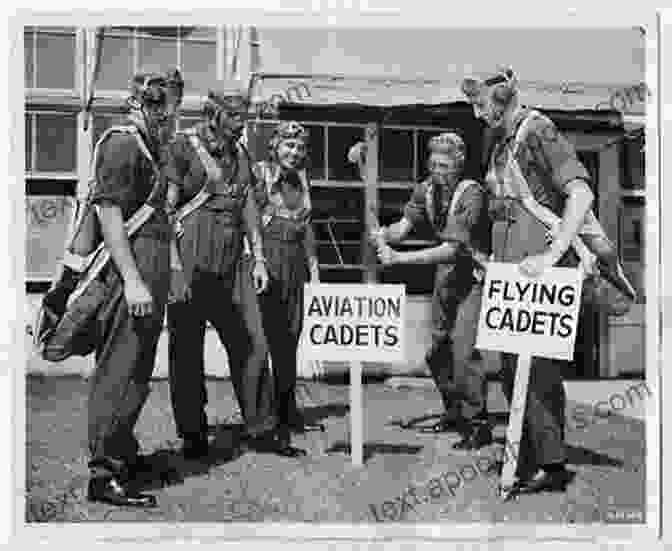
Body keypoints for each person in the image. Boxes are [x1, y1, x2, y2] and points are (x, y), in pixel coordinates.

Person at [461, 67, 587, 492]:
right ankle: (528, 454)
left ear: (500, 97)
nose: (478, 116)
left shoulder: (539, 129)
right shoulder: (503, 140)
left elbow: (580, 193)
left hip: (539, 269)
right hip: (510, 268)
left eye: (480, 106)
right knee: (513, 369)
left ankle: (550, 464)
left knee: (538, 371)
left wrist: (554, 253)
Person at [163, 83, 289, 460]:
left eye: (244, 117)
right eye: (235, 116)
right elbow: (166, 210)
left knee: (253, 342)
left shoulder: (240, 153)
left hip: (233, 262)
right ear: (212, 114)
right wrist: (173, 268)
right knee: (186, 351)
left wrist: (261, 257)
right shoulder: (181, 148)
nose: (241, 124)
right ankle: (193, 434)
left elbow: (248, 202)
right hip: (190, 262)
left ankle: (262, 428)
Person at [371, 132, 493, 451]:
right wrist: (383, 233)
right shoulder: (425, 191)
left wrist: (399, 259)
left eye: (446, 164)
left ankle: (478, 424)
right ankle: (454, 412)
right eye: (434, 163)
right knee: (436, 350)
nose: (438, 169)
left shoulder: (472, 194)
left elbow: (453, 249)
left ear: (459, 164)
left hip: (474, 275)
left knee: (463, 352)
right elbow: (402, 228)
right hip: (446, 276)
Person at [85, 71, 174, 507]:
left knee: (138, 372)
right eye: (158, 102)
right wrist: (135, 281)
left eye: (169, 101)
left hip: (151, 272)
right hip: (129, 276)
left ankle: (121, 453)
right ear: (138, 102)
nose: (167, 111)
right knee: (118, 372)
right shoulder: (122, 144)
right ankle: (103, 475)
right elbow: (110, 215)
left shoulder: (150, 146)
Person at [252, 121, 322, 458]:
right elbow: (247, 222)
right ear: (275, 146)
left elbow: (308, 230)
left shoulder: (303, 180)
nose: (293, 153)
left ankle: (286, 410)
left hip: (295, 262)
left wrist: (315, 271)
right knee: (265, 338)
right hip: (266, 260)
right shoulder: (259, 174)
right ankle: (265, 417)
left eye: (299, 148)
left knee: (290, 338)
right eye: (288, 146)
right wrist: (257, 261)